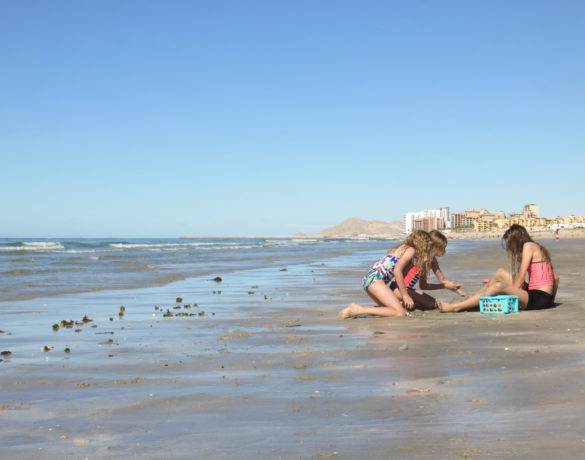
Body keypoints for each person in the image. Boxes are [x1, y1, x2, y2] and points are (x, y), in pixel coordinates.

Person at [438, 224, 559, 312]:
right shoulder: (538, 247)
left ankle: (455, 307)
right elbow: (556, 277)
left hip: (538, 298)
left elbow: (522, 276)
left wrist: (513, 292)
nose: (510, 248)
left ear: (516, 240)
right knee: (500, 273)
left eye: (510, 245)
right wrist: (552, 301)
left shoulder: (528, 246)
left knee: (498, 287)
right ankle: (472, 300)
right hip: (540, 296)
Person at [338, 230, 434, 318]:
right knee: (399, 313)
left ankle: (356, 308)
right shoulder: (410, 250)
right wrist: (405, 295)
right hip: (375, 280)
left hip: (369, 279)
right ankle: (359, 310)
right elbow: (397, 271)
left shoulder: (402, 248)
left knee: (388, 309)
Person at [389, 230, 467, 309]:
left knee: (434, 303)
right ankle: (398, 303)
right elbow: (398, 271)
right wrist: (444, 286)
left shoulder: (431, 260)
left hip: (408, 289)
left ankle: (401, 302)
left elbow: (426, 285)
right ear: (434, 247)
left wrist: (462, 293)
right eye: (443, 248)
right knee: (431, 304)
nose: (445, 251)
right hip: (398, 289)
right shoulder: (418, 257)